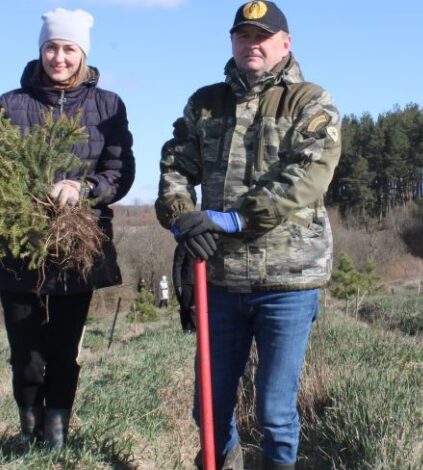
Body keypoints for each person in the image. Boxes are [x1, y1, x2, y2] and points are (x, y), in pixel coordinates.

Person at [155, 2, 341, 468]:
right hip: (219, 279)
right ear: (232, 42)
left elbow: (308, 175)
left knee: (275, 413)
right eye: (243, 36)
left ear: (285, 43)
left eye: (262, 36)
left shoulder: (310, 101)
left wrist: (234, 219)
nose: (251, 44)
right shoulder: (205, 103)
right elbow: (175, 166)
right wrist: (184, 219)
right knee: (210, 408)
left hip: (289, 281)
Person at [0, 7, 135, 449]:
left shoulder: (107, 105)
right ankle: (28, 433)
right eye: (51, 47)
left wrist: (83, 189)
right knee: (27, 353)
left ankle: (56, 437)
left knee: (64, 350)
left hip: (76, 246)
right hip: (19, 244)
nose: (59, 57)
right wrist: (32, 196)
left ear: (82, 53)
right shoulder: (11, 104)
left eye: (68, 48)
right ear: (40, 50)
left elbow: (119, 171)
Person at [172, 244, 197, 332]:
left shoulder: (202, 244)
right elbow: (177, 266)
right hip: (185, 282)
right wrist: (178, 284)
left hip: (200, 282)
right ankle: (187, 330)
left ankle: (195, 330)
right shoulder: (182, 246)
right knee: (186, 307)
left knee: (196, 308)